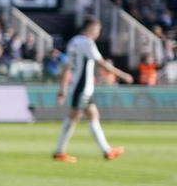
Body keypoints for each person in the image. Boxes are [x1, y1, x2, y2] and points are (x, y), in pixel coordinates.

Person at [54, 17, 131, 161]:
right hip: (82, 87)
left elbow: (66, 66)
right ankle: (59, 151)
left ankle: (106, 150)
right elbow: (101, 62)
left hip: (78, 86)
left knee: (92, 115)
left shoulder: (73, 42)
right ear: (90, 28)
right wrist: (123, 75)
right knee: (74, 117)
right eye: (97, 30)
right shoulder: (87, 43)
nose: (98, 33)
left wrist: (63, 88)